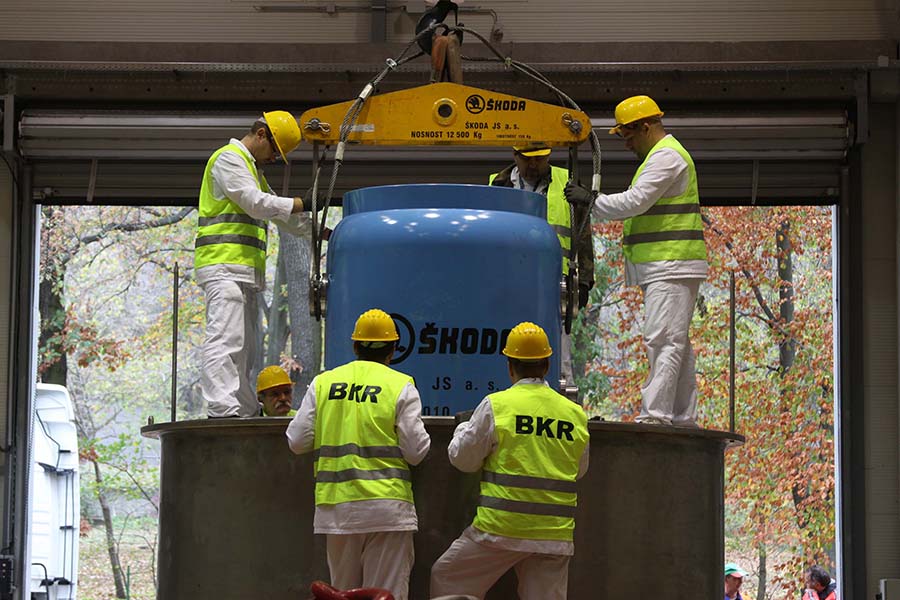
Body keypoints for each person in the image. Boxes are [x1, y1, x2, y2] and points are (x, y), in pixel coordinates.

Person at [564, 95, 707, 427]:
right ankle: (683, 417)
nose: (626, 143)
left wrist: (591, 202)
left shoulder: (666, 157)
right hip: (668, 265)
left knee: (663, 339)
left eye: (628, 135)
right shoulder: (661, 157)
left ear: (646, 127)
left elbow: (636, 201)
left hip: (671, 264)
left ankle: (656, 416)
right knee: (676, 344)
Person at [430, 321, 590, 600]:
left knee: (448, 578)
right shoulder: (574, 414)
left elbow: (462, 459)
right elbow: (578, 470)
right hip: (554, 536)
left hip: (499, 530)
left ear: (510, 365)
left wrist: (462, 430)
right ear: (547, 365)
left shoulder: (498, 405)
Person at [286, 308, 431, 600]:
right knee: (385, 595)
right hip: (387, 511)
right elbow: (416, 452)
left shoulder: (324, 383)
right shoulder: (400, 385)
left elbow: (297, 441)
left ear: (355, 346)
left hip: (338, 511)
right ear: (393, 349)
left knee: (343, 595)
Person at [197, 111, 311, 418]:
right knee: (226, 340)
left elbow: (278, 213)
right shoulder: (229, 159)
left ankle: (245, 408)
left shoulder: (250, 168)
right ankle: (222, 408)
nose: (274, 158)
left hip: (240, 272)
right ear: (261, 134)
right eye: (276, 150)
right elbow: (256, 203)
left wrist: (320, 230)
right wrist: (301, 202)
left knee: (243, 350)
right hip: (223, 267)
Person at [489, 142, 595, 386]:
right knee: (505, 344)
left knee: (559, 351)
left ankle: (561, 397)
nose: (534, 165)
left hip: (554, 282)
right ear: (515, 155)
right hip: (509, 281)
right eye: (528, 159)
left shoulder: (568, 183)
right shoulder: (497, 185)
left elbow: (583, 234)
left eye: (540, 158)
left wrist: (585, 280)